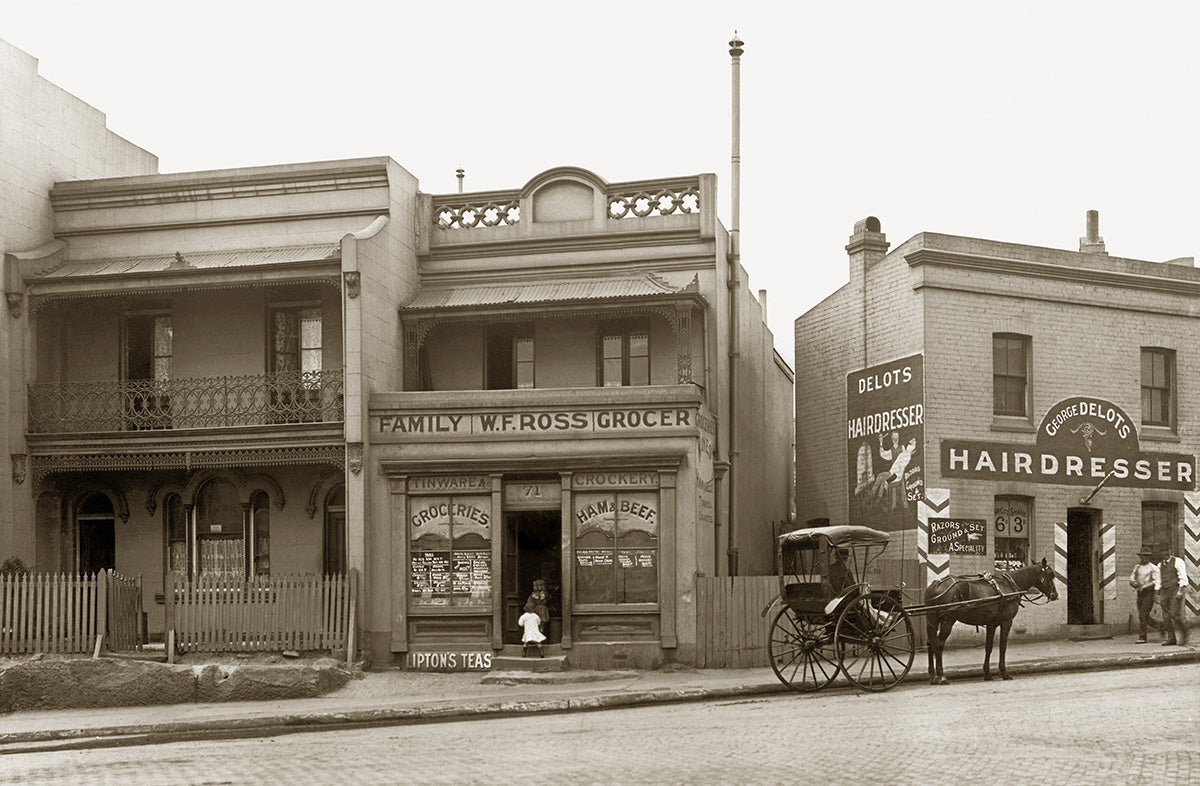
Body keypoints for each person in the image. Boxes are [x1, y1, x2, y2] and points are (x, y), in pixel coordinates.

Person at [1155, 548, 1189, 646]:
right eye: (1162, 551)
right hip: (1164, 591)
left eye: (1166, 551)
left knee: (1174, 614)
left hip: (1175, 589)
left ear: (1170, 551)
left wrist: (1180, 591)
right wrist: (1157, 593)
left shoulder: (1178, 561)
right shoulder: (1160, 565)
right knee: (1166, 616)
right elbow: (1158, 580)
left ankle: (1185, 633)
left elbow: (1183, 576)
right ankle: (1171, 638)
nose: (1164, 554)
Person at [1128, 547, 1159, 643]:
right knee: (1144, 616)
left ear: (1149, 557)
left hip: (1149, 593)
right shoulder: (1137, 567)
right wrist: (1134, 583)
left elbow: (1156, 581)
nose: (1144, 557)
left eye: (1146, 556)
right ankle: (1161, 626)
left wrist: (1144, 587)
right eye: (1143, 555)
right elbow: (1132, 578)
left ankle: (1142, 637)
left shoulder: (1153, 568)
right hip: (1140, 593)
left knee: (1143, 614)